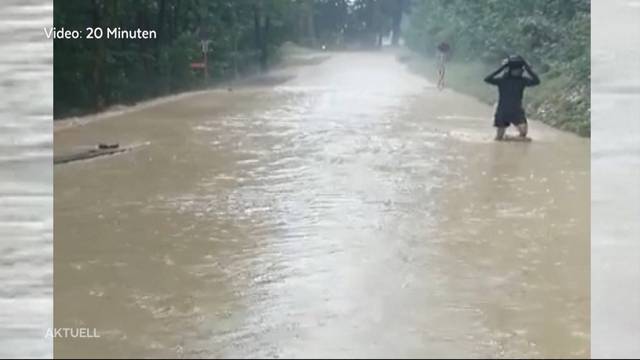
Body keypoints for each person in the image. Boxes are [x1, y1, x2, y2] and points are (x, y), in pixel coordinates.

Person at [484, 55, 540, 141]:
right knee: (499, 138)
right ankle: (507, 139)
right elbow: (487, 79)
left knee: (523, 134)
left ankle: (508, 138)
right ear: (510, 70)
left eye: (520, 70)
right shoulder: (502, 81)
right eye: (516, 69)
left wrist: (527, 67)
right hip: (503, 111)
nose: (519, 71)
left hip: (517, 110)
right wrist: (502, 67)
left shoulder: (522, 81)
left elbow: (537, 81)